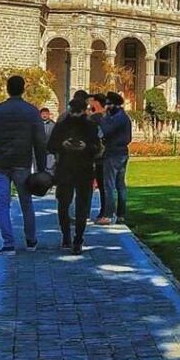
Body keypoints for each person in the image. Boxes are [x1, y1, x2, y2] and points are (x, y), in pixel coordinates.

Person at [0, 75, 47, 255]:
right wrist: (41, 167)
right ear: (23, 89)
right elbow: (40, 141)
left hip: (1, 162)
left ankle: (8, 243)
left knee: (3, 204)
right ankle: (31, 240)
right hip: (22, 163)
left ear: (7, 89)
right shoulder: (31, 111)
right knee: (26, 202)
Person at [48, 96, 101, 254]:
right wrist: (66, 145)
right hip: (74, 168)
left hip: (74, 168)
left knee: (69, 204)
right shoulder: (69, 126)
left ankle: (72, 238)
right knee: (74, 205)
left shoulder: (82, 126)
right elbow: (51, 145)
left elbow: (96, 148)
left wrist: (82, 147)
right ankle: (73, 238)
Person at [100, 92, 133, 224]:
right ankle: (121, 214)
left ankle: (108, 215)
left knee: (109, 184)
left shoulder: (117, 118)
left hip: (114, 153)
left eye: (108, 104)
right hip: (122, 152)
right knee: (120, 184)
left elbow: (106, 129)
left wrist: (102, 117)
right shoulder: (124, 117)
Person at [87, 93, 110, 224]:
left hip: (96, 155)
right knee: (103, 185)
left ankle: (86, 211)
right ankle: (105, 211)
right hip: (104, 154)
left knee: (93, 184)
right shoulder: (108, 118)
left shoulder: (95, 118)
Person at [39, 107, 57, 176]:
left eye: (46, 114)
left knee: (50, 168)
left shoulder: (53, 125)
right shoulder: (37, 125)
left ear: (49, 114)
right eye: (43, 114)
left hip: (50, 150)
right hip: (39, 150)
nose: (44, 115)